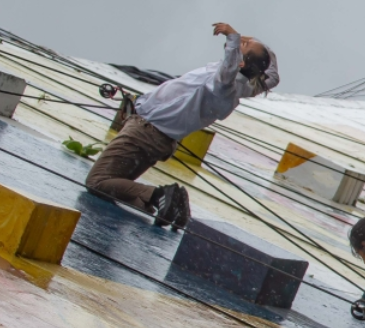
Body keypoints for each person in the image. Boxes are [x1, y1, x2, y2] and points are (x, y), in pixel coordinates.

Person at [85, 22, 279, 229]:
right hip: (157, 138)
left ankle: (161, 195)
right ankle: (167, 206)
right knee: (115, 186)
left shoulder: (223, 84)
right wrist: (258, 49)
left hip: (144, 133)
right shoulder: (244, 87)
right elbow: (273, 77)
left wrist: (233, 37)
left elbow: (230, 68)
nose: (243, 41)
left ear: (239, 63)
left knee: (97, 181)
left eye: (245, 45)